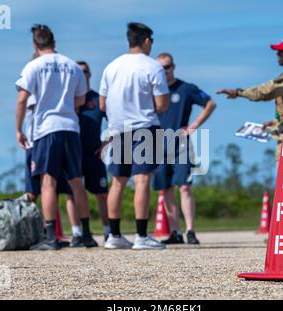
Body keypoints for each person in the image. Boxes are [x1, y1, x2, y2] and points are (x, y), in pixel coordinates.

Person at [15, 24, 97, 250]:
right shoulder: (72, 66)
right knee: (76, 182)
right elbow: (81, 100)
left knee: (48, 182)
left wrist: (19, 129)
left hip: (46, 128)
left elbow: (22, 99)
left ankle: (51, 237)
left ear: (35, 44)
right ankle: (86, 234)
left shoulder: (33, 66)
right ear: (54, 42)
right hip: (70, 127)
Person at [99, 22, 169, 249]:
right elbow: (162, 104)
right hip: (144, 126)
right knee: (142, 180)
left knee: (117, 182)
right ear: (146, 40)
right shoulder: (153, 66)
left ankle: (114, 236)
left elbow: (102, 103)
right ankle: (141, 236)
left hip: (117, 128)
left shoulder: (111, 66)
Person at [217, 37, 283, 163]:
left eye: (281, 51)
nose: (277, 54)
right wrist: (275, 122)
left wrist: (238, 92)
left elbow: (267, 92)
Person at [153, 52, 217, 244]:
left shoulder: (186, 89)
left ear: (174, 67)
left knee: (185, 187)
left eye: (167, 67)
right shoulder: (152, 91)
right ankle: (175, 232)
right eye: (160, 68)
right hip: (156, 143)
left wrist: (194, 126)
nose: (164, 71)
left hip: (180, 143)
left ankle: (190, 230)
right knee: (166, 188)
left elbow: (210, 103)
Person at [77, 61, 110, 241]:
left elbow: (115, 121)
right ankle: (79, 232)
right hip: (74, 152)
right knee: (73, 192)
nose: (82, 74)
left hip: (94, 153)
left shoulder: (98, 99)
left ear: (90, 74)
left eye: (84, 71)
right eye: (78, 71)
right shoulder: (69, 99)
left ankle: (108, 231)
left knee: (102, 194)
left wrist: (106, 142)